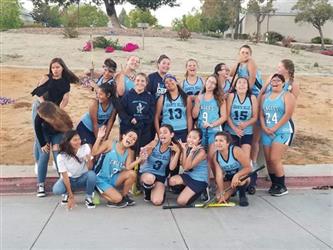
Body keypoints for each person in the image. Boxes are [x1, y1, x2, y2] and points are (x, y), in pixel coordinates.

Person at [31, 58, 79, 175]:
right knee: (39, 135)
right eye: (53, 67)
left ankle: (56, 160)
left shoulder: (65, 81)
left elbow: (65, 98)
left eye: (57, 67)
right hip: (41, 107)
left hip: (55, 108)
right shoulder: (46, 78)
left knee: (56, 130)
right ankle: (38, 161)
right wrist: (46, 107)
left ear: (62, 68)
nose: (55, 70)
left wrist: (59, 110)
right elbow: (38, 94)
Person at [260, 74, 295, 196]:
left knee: (275, 158)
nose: (275, 82)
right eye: (273, 80)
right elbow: (261, 114)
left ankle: (281, 186)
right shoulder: (265, 97)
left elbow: (287, 115)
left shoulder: (287, 96)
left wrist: (274, 127)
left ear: (283, 83)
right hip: (267, 131)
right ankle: (274, 184)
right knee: (269, 160)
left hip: (282, 131)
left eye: (278, 80)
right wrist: (264, 127)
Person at [92, 127, 142, 208]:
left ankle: (124, 196)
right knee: (117, 199)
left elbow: (128, 167)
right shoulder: (110, 144)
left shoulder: (129, 152)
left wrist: (140, 159)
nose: (131, 139)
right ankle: (98, 190)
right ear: (123, 136)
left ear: (133, 143)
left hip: (113, 178)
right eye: (130, 136)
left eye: (134, 139)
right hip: (100, 178)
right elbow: (94, 153)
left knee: (132, 174)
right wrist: (99, 138)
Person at [154, 74, 192, 181]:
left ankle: (175, 180)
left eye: (171, 80)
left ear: (176, 81)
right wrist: (158, 132)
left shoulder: (185, 97)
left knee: (178, 155)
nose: (169, 83)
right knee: (166, 155)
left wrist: (189, 133)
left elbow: (189, 117)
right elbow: (156, 117)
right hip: (167, 131)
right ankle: (163, 178)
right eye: (166, 82)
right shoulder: (163, 97)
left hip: (182, 130)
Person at [225, 77, 258, 193]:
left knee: (245, 158)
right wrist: (235, 128)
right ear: (235, 85)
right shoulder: (231, 96)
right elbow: (227, 115)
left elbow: (255, 117)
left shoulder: (252, 98)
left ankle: (250, 182)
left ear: (248, 86)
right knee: (233, 159)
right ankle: (234, 183)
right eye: (239, 82)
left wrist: (246, 124)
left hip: (246, 132)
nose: (242, 85)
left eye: (245, 83)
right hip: (231, 132)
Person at [34, 101, 73, 197]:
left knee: (58, 154)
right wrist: (43, 144)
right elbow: (37, 128)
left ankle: (63, 181)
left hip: (58, 133)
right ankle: (41, 184)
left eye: (43, 116)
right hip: (44, 133)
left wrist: (61, 145)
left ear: (49, 115)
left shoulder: (62, 117)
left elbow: (69, 131)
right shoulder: (39, 116)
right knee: (44, 154)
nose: (40, 117)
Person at [192, 74, 226, 179]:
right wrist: (197, 103)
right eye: (209, 81)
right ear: (205, 82)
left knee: (212, 159)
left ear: (216, 86)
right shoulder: (200, 97)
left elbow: (224, 117)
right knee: (201, 159)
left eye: (213, 83)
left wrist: (212, 124)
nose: (210, 85)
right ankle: (203, 183)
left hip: (214, 131)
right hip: (201, 132)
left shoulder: (219, 98)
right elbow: (194, 115)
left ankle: (218, 183)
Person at [52, 130, 96, 209]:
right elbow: (65, 176)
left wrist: (89, 160)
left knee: (92, 175)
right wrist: (71, 196)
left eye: (79, 139)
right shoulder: (61, 156)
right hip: (69, 179)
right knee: (56, 190)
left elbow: (90, 168)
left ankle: (88, 197)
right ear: (68, 142)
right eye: (75, 140)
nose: (78, 142)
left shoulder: (85, 147)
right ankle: (67, 194)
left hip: (82, 177)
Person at [139, 124, 181, 205]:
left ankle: (156, 190)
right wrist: (144, 153)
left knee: (157, 201)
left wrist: (178, 152)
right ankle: (147, 191)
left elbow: (172, 168)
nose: (162, 135)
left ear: (171, 135)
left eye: (165, 132)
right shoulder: (155, 143)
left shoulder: (173, 148)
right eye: (160, 133)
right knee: (150, 179)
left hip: (160, 176)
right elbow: (142, 162)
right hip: (147, 173)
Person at [168, 129, 209, 206]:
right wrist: (183, 150)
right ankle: (188, 189)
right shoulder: (186, 146)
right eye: (189, 137)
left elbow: (187, 167)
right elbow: (184, 166)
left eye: (194, 138)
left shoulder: (201, 152)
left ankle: (201, 191)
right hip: (188, 176)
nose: (191, 140)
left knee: (181, 202)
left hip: (199, 180)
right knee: (172, 181)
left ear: (199, 140)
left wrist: (191, 153)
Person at [213, 132, 252, 206]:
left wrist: (236, 175)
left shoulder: (236, 150)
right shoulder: (216, 156)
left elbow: (249, 168)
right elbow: (219, 175)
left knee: (240, 179)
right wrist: (221, 192)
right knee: (219, 197)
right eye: (216, 140)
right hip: (229, 178)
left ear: (227, 143)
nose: (218, 143)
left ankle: (242, 195)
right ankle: (234, 189)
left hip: (243, 176)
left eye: (221, 141)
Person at [120, 73, 155, 151]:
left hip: (143, 131)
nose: (140, 83)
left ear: (146, 83)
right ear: (134, 82)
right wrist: (131, 119)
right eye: (137, 80)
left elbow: (151, 115)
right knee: (127, 152)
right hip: (128, 129)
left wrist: (139, 119)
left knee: (140, 154)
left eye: (143, 81)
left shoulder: (150, 97)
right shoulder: (127, 96)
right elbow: (121, 112)